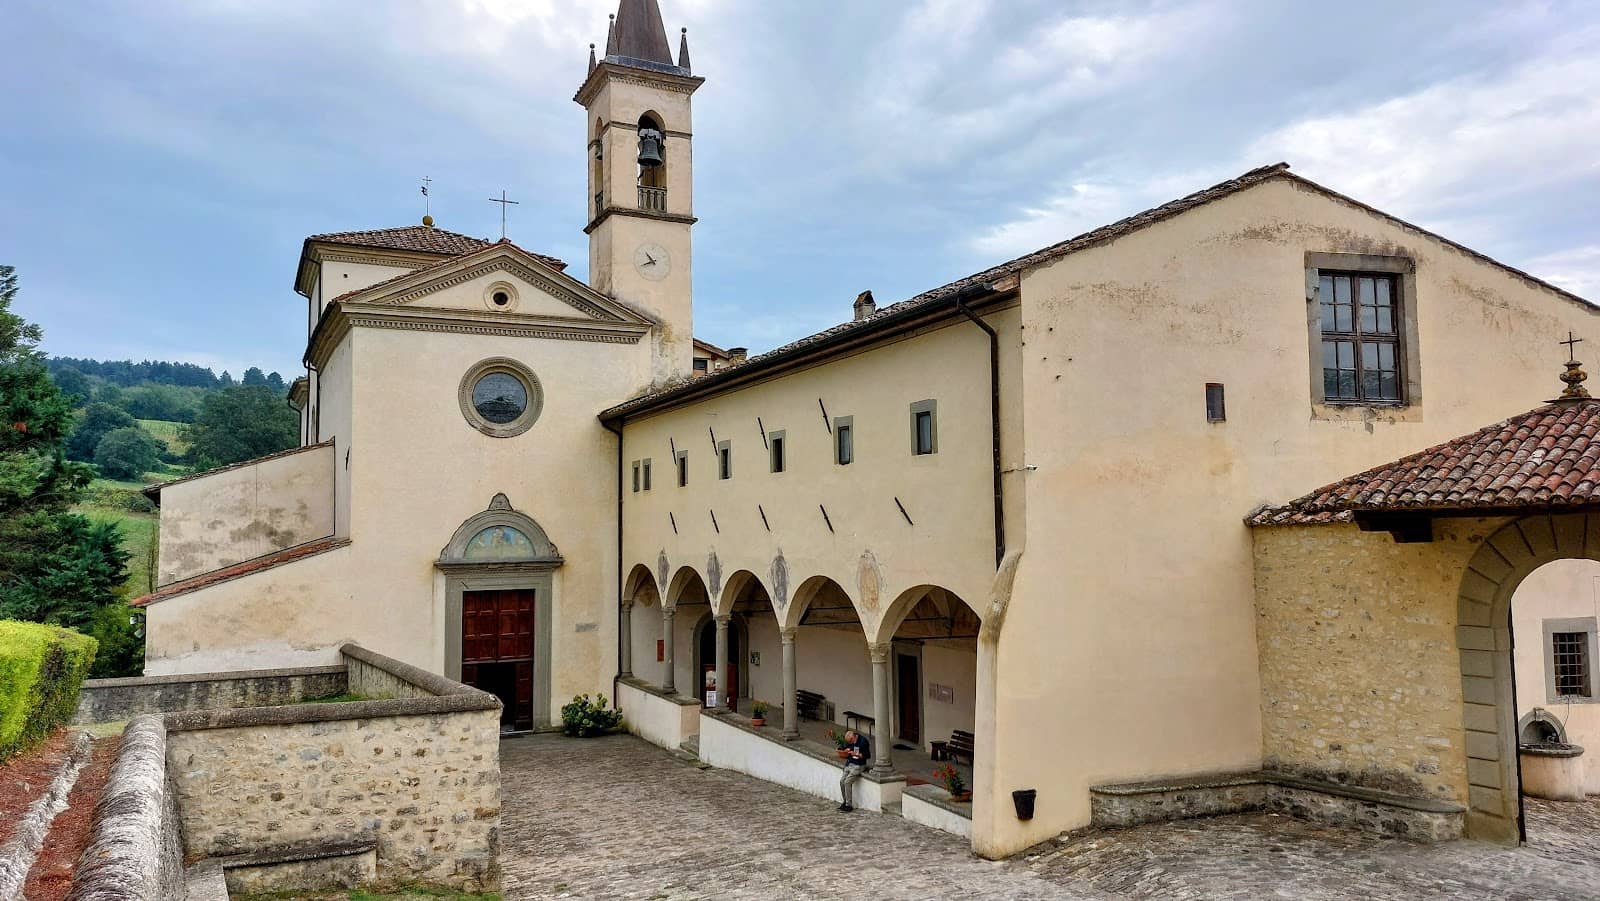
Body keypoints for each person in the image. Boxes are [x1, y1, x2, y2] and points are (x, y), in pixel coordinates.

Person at [838, 729, 871, 812]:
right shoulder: (850, 741)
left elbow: (868, 755)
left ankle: (849, 805)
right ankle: (845, 802)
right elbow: (845, 748)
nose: (850, 744)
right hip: (849, 763)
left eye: (850, 742)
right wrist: (845, 750)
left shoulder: (863, 742)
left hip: (858, 765)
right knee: (842, 781)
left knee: (847, 782)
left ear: (853, 738)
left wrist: (858, 754)